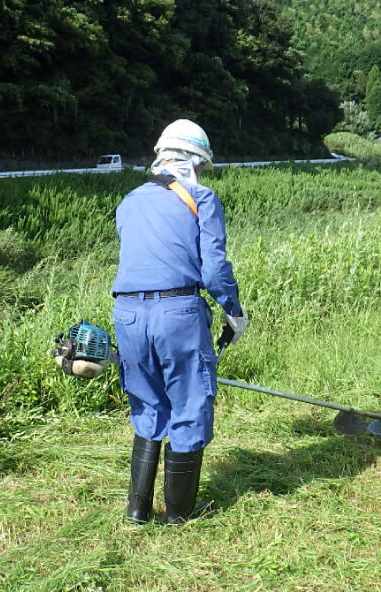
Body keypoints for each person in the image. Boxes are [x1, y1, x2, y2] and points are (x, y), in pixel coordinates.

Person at [111, 119, 248, 524]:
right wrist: (233, 311)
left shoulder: (129, 200)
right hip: (178, 312)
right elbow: (214, 270)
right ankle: (179, 514)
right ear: (193, 161)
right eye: (202, 166)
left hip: (128, 313)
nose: (203, 174)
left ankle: (137, 510)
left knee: (148, 403)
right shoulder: (200, 199)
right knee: (189, 404)